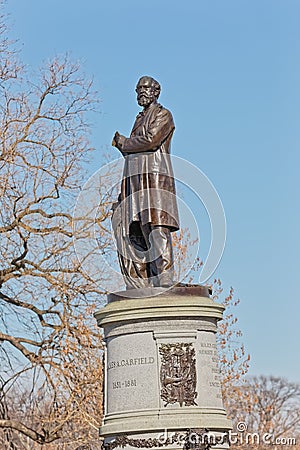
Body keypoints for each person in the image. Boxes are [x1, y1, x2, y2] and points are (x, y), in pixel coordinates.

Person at [112, 76, 179, 289]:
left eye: (146, 88)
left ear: (156, 91)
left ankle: (164, 277)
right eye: (138, 89)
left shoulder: (163, 115)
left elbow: (150, 140)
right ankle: (146, 281)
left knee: (157, 227)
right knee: (139, 230)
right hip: (137, 182)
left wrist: (123, 142)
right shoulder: (139, 118)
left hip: (155, 180)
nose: (141, 91)